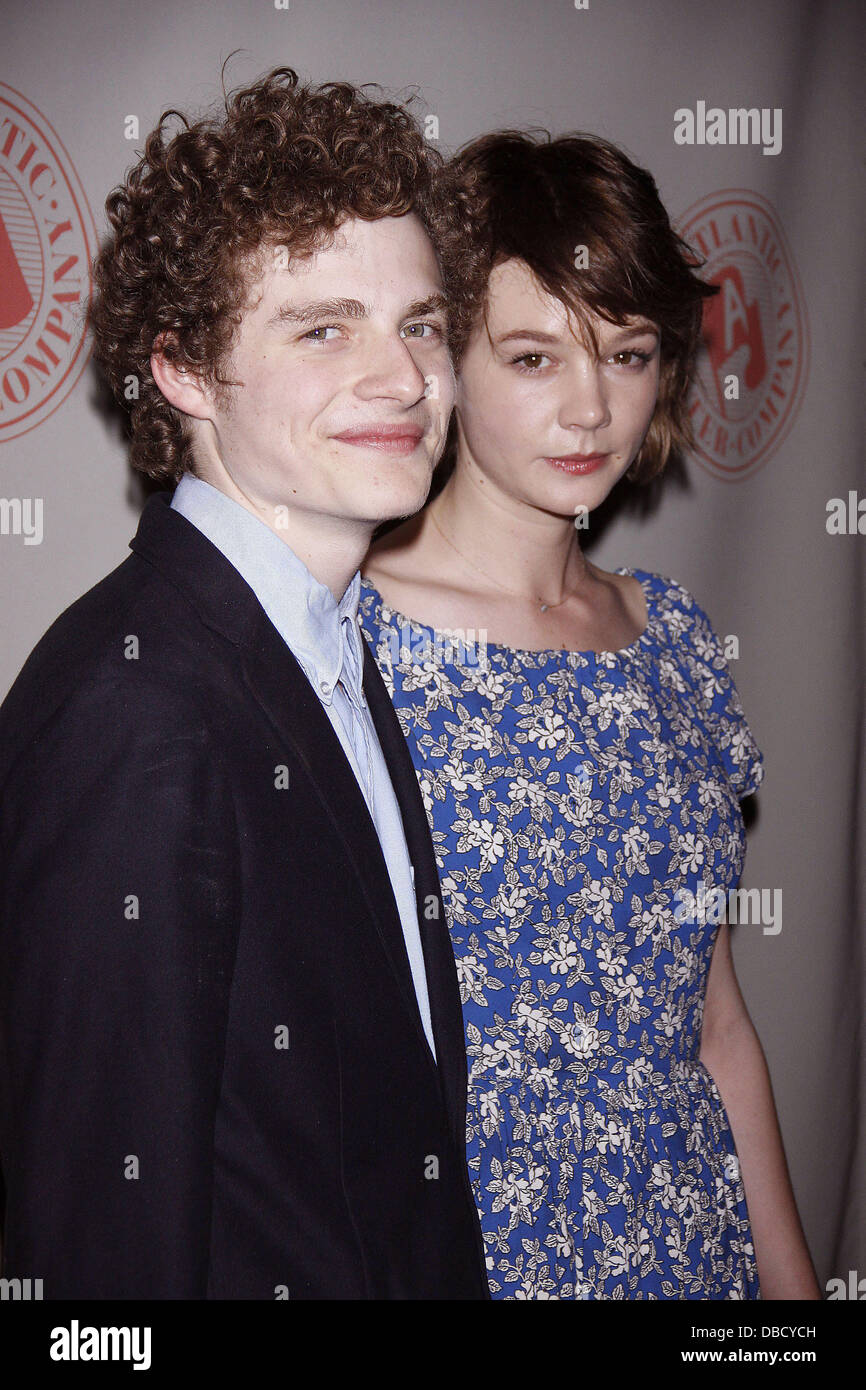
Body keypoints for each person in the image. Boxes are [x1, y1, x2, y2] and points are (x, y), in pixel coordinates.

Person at [0, 67, 490, 1300]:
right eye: (322, 328)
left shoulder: (313, 645)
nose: (402, 379)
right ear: (180, 371)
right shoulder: (136, 710)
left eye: (420, 324)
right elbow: (98, 1254)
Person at [359, 130, 821, 1299]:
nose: (586, 409)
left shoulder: (669, 638)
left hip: (686, 1249)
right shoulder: (348, 638)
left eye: (623, 353)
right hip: (462, 1253)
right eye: (530, 356)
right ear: (445, 355)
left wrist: (790, 1291)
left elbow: (711, 1022)